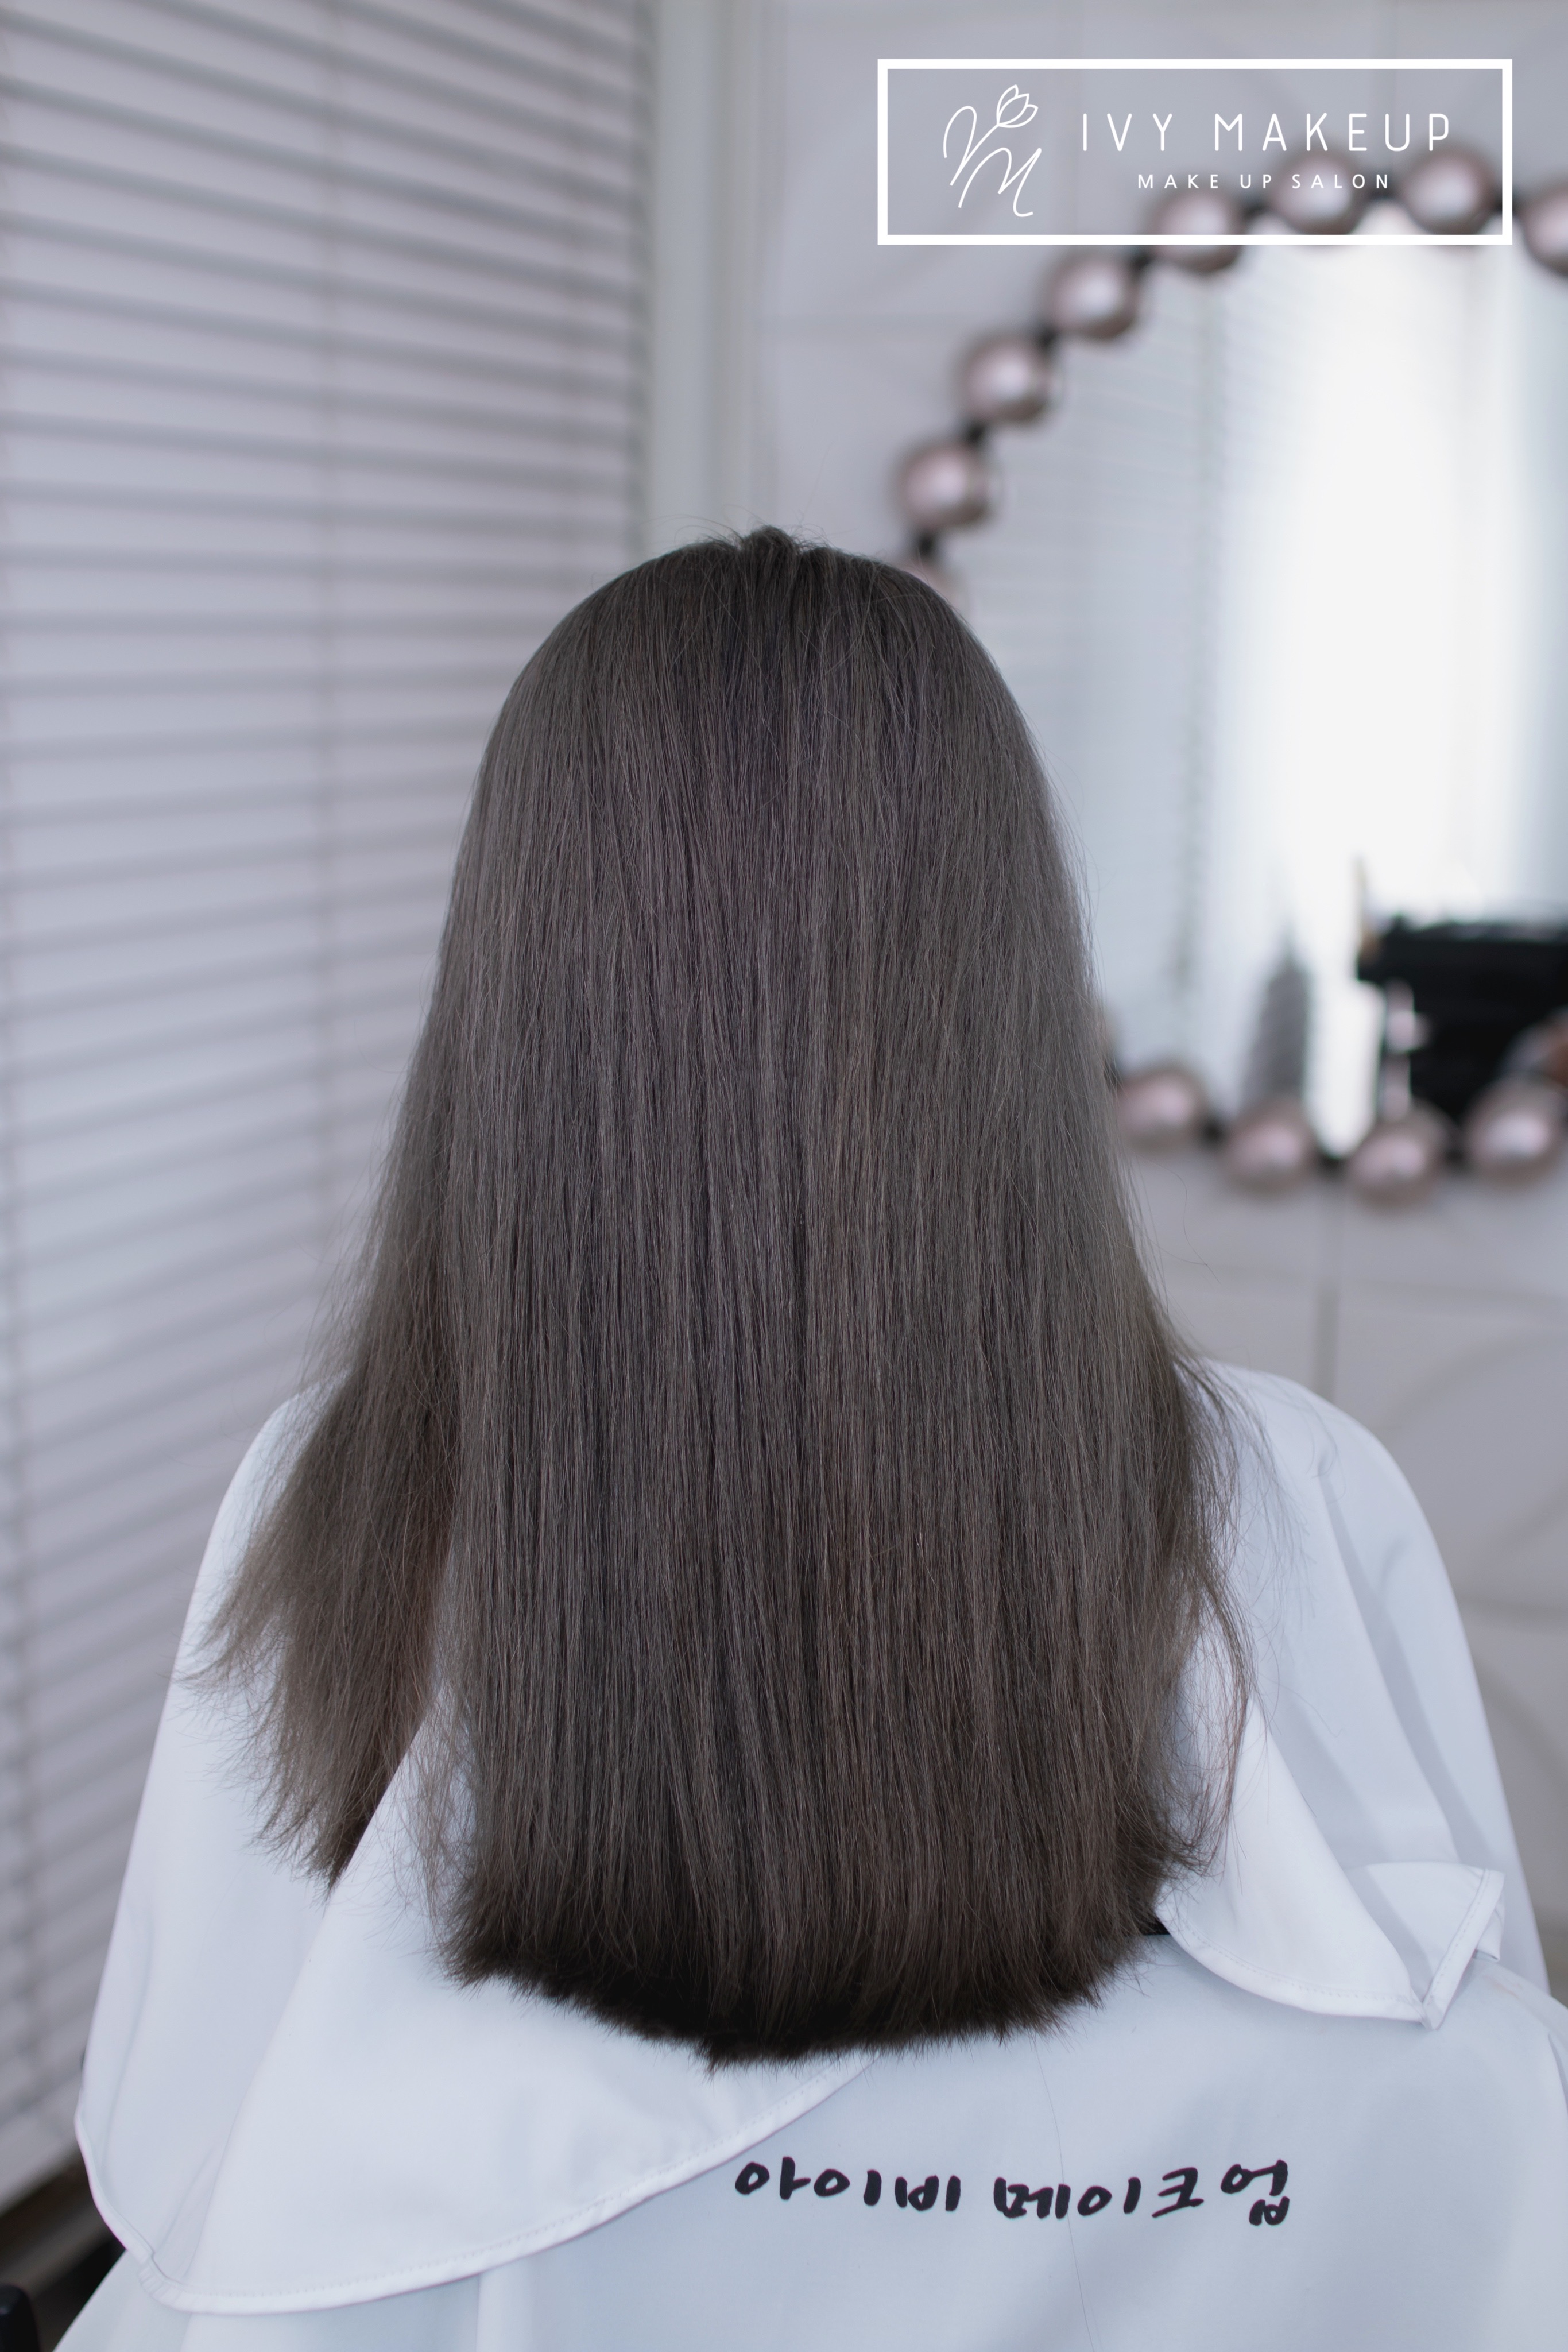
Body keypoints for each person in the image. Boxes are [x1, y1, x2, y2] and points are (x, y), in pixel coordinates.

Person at [63, 532, 1567, 2351]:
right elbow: (1451, 2111)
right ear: (1007, 974)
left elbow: (194, 2128)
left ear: (517, 978)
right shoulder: (1287, 1485)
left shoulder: (338, 1485)